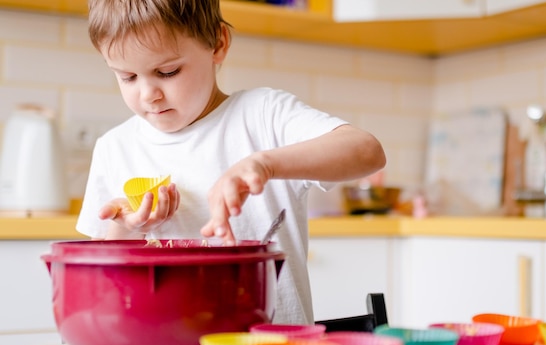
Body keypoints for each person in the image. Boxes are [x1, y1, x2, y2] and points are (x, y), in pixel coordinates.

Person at [76, 0, 386, 325]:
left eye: (167, 72)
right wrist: (127, 227)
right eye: (127, 77)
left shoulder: (262, 116)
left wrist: (264, 164)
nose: (147, 94)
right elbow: (105, 279)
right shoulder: (115, 148)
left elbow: (367, 150)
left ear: (218, 43)